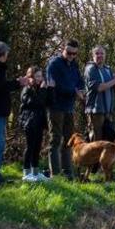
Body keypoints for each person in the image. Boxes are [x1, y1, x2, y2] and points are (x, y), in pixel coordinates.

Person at [0, 41, 32, 185]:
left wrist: (16, 82)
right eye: (7, 53)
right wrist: (18, 82)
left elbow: (1, 86)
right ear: (3, 54)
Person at [45, 39, 84, 179]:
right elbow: (55, 85)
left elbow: (79, 81)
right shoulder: (54, 64)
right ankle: (55, 174)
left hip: (69, 106)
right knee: (55, 139)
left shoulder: (74, 64)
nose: (71, 56)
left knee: (69, 140)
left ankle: (68, 172)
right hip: (56, 106)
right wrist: (74, 91)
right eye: (69, 53)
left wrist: (80, 89)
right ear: (63, 49)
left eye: (74, 54)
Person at [84, 45, 115, 142]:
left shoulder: (108, 69)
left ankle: (103, 158)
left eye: (102, 53)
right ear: (93, 56)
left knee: (107, 139)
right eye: (97, 53)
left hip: (108, 111)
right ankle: (93, 157)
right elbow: (99, 87)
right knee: (96, 139)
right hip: (96, 110)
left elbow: (114, 90)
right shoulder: (90, 69)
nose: (99, 55)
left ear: (105, 55)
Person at [19, 65, 52, 183]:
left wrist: (49, 89)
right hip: (29, 122)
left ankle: (35, 173)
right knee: (30, 146)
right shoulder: (27, 89)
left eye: (41, 76)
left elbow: (47, 102)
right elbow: (35, 102)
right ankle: (26, 173)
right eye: (37, 76)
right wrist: (43, 90)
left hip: (38, 122)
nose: (40, 78)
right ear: (30, 77)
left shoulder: (40, 88)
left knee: (37, 146)